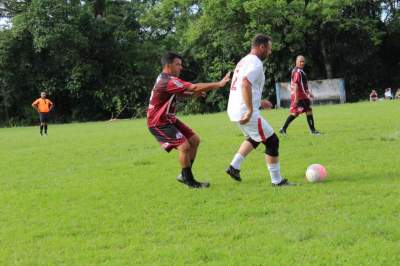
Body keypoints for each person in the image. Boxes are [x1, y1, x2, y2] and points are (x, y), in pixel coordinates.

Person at [147, 52, 230, 189]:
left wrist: (194, 95)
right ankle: (190, 181)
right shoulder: (168, 80)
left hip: (169, 119)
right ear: (168, 66)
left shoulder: (166, 79)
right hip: (158, 122)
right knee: (184, 146)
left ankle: (184, 175)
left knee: (194, 140)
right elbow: (194, 86)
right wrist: (219, 84)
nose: (181, 67)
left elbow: (180, 95)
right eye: (178, 64)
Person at [225, 34, 292, 186]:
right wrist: (249, 109)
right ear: (261, 47)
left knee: (256, 137)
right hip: (244, 110)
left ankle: (234, 167)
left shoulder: (243, 61)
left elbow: (243, 87)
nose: (270, 52)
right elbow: (245, 84)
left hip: (235, 109)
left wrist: (260, 102)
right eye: (269, 49)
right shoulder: (255, 63)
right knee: (272, 141)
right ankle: (277, 181)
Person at [279, 56, 320, 135]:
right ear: (296, 62)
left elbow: (302, 85)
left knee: (308, 110)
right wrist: (296, 98)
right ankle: (283, 129)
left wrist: (308, 93)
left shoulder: (300, 71)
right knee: (296, 113)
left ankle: (313, 130)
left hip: (302, 96)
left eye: (303, 61)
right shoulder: (298, 72)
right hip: (299, 96)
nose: (302, 63)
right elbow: (297, 85)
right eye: (300, 61)